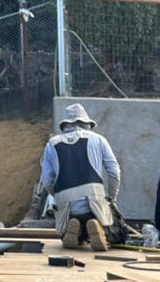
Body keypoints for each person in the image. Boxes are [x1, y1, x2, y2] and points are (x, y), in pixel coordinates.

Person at [37, 103, 121, 251]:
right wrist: (111, 198)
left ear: (66, 125)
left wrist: (57, 197)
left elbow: (47, 181)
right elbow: (114, 171)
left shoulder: (51, 144)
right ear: (86, 123)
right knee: (118, 232)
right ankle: (97, 226)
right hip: (94, 201)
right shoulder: (99, 139)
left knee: (70, 230)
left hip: (67, 205)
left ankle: (77, 231)